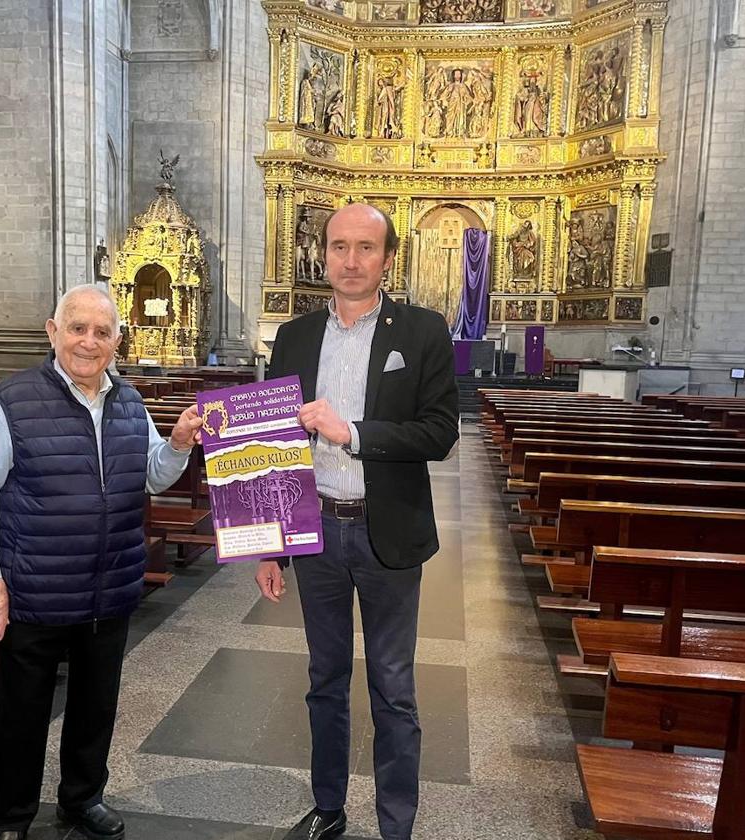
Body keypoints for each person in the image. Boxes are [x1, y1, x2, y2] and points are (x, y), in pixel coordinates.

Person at [0, 284, 203, 840]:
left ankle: (81, 798)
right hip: (35, 588)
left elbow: (152, 476)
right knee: (23, 714)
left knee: (95, 708)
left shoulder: (130, 402)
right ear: (53, 332)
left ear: (118, 340)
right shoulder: (11, 402)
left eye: (102, 332)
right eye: (77, 328)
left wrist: (179, 443)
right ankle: (12, 817)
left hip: (107, 587)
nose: (89, 342)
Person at [257, 203, 459, 840]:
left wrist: (355, 434)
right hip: (315, 530)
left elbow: (440, 431)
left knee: (394, 688)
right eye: (339, 246)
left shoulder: (423, 332)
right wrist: (270, 545)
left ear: (387, 257)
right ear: (324, 253)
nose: (350, 260)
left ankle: (396, 824)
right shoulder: (292, 337)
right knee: (324, 679)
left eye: (365, 248)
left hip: (386, 532)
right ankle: (329, 806)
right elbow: (270, 445)